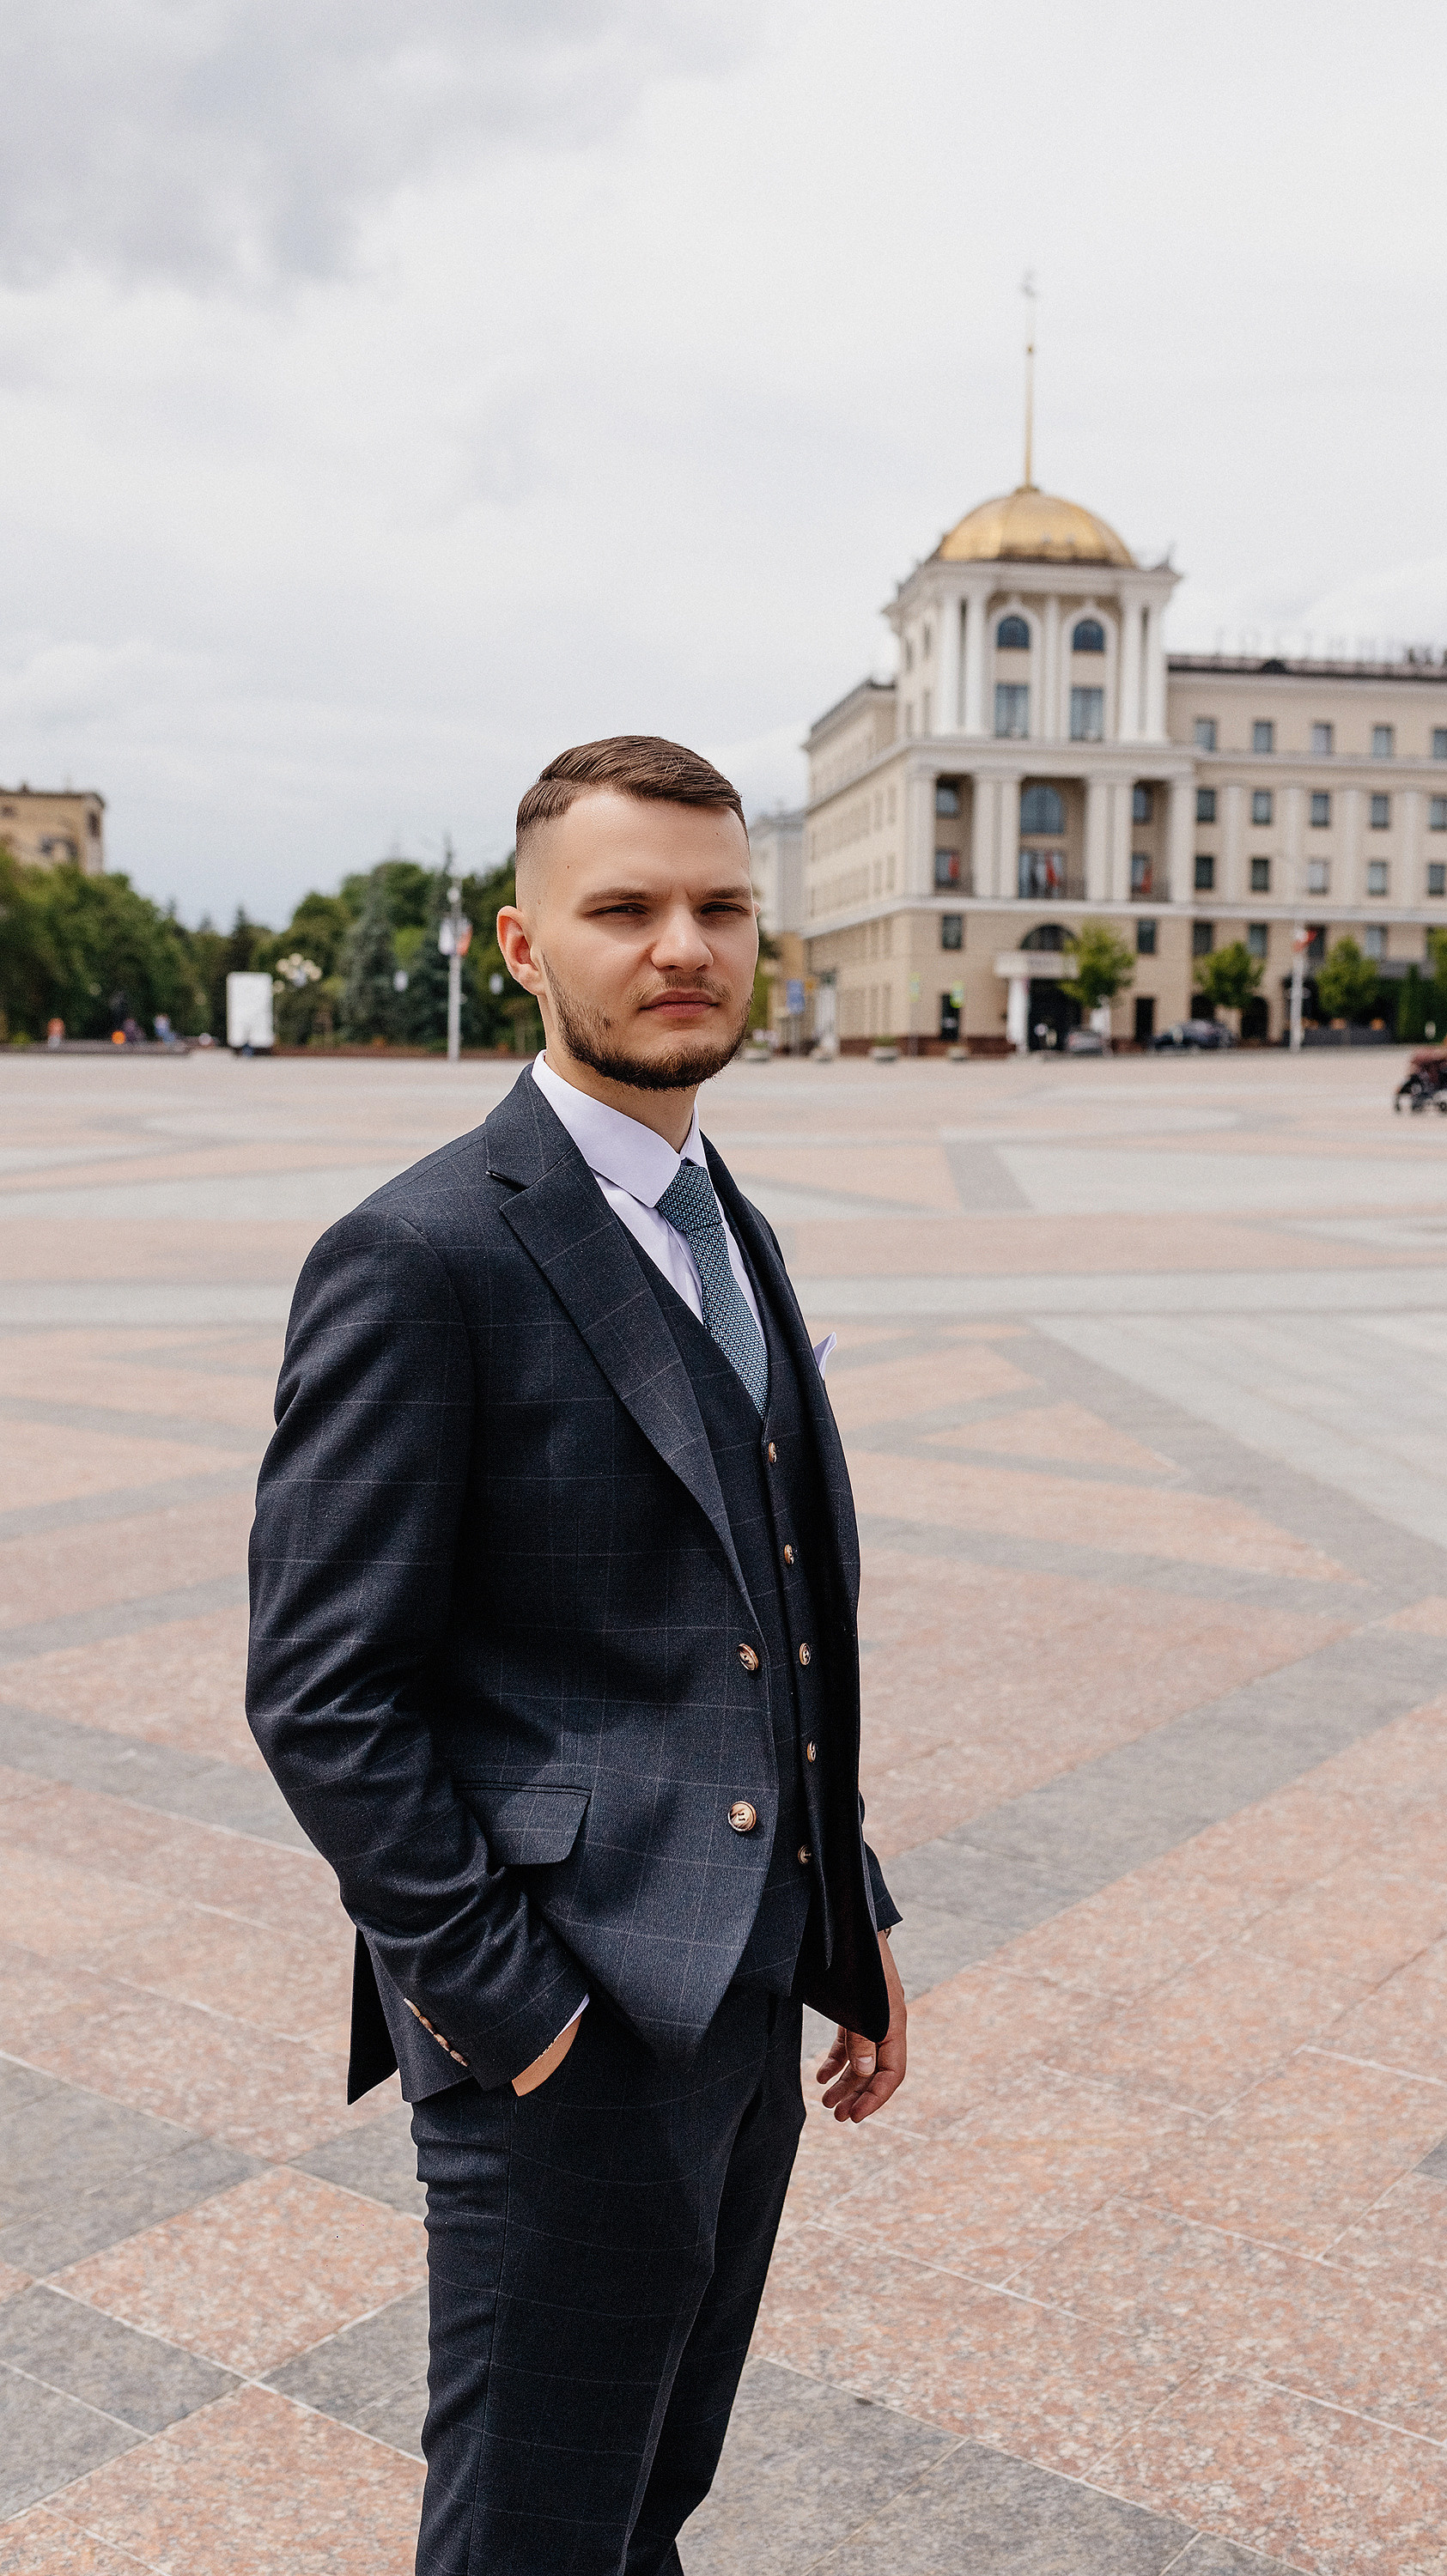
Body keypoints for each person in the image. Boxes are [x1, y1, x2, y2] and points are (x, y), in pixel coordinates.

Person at [247, 735, 907, 2576]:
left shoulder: (726, 1222)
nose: (679, 944)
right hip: (561, 2027)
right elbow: (320, 1688)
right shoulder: (420, 1253)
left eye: (718, 907)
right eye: (622, 909)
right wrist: (512, 2016)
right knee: (530, 2536)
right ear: (524, 946)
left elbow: (769, 1609)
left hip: (744, 1999)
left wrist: (840, 1921)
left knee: (644, 2507)